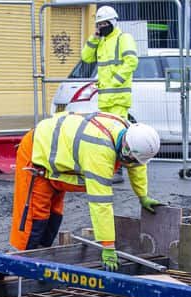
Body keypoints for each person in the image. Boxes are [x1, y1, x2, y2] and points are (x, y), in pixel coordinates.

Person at [9, 112, 162, 271]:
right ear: (126, 148)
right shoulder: (99, 150)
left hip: (58, 156)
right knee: (35, 217)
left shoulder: (130, 134)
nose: (131, 164)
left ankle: (39, 258)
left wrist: (142, 195)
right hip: (36, 153)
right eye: (131, 159)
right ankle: (20, 264)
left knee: (54, 216)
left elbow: (136, 166)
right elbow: (100, 203)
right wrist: (108, 246)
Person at [82, 6, 139, 184]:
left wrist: (115, 81)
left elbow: (132, 61)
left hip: (119, 98)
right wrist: (94, 37)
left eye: (105, 23)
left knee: (119, 134)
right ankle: (112, 168)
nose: (102, 27)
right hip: (105, 99)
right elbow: (85, 57)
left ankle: (119, 170)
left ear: (113, 22)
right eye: (99, 24)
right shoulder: (102, 41)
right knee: (107, 134)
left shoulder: (124, 38)